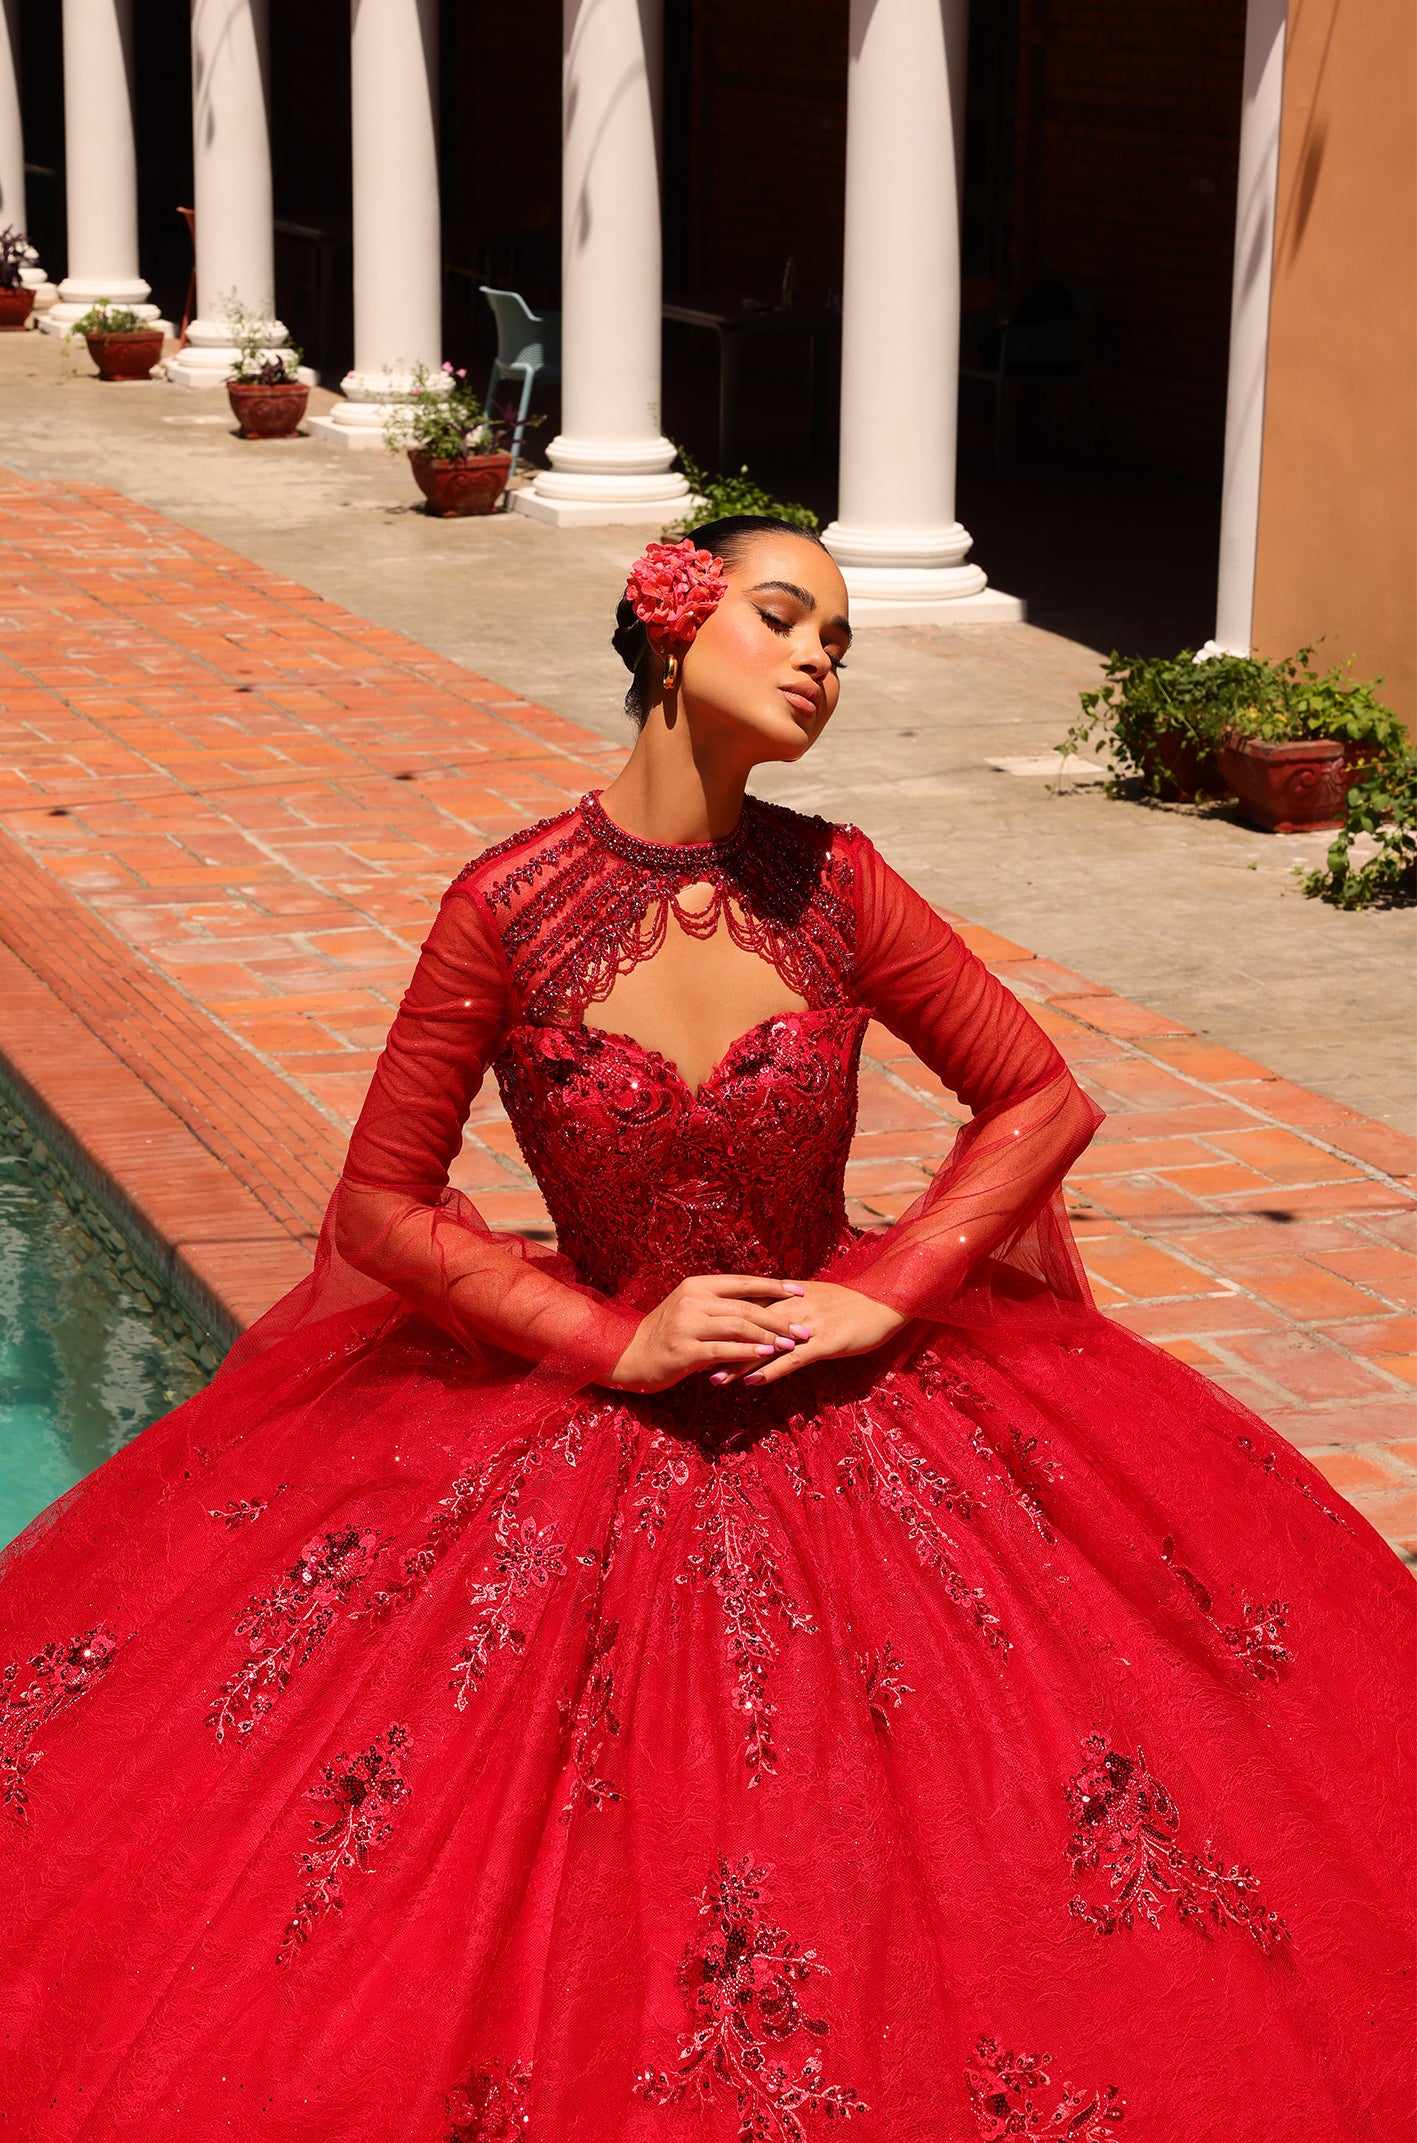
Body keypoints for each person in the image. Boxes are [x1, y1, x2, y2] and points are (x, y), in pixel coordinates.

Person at [0, 518, 1411, 2143]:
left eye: (842, 641)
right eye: (787, 617)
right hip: (594, 1402)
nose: (820, 659)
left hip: (857, 1405)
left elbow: (1037, 1098)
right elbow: (383, 1205)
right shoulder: (507, 907)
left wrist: (878, 1293)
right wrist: (607, 1342)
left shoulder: (840, 886)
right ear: (671, 629)